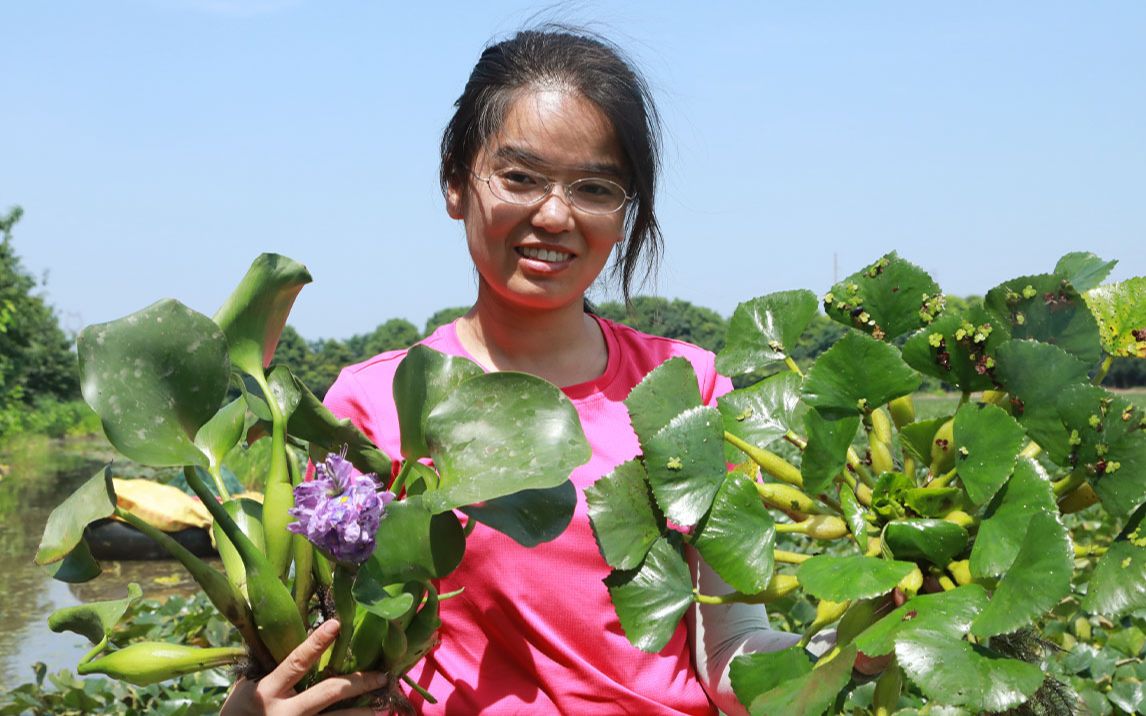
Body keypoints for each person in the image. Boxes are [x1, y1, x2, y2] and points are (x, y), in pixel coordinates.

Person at [224, 26, 814, 716]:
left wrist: (836, 653)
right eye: (520, 178)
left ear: (625, 213)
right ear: (454, 181)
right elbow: (324, 639)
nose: (556, 214)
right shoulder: (370, 403)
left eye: (595, 187)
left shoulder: (690, 387)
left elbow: (727, 650)